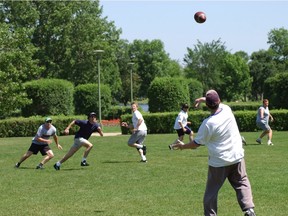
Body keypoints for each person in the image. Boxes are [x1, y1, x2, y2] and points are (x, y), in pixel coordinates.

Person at [173, 90, 256, 216]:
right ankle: (249, 210)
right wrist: (203, 99)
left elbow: (196, 143)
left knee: (211, 193)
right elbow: (215, 100)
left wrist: (183, 146)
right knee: (242, 183)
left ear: (207, 105)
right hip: (237, 157)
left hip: (219, 162)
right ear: (219, 101)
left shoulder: (208, 124)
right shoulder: (227, 109)